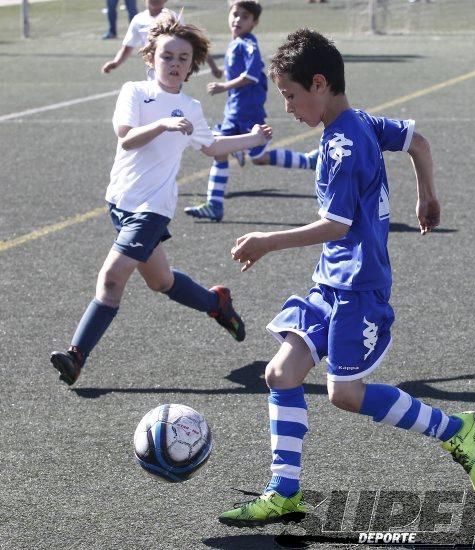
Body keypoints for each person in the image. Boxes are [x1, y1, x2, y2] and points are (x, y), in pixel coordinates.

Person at [219, 28, 475, 527]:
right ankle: (283, 492)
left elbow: (336, 225)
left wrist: (265, 241)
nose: (288, 107)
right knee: (281, 373)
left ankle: (456, 429)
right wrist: (426, 194)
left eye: (291, 95)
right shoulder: (359, 121)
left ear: (319, 84)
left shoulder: (343, 144)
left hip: (358, 288)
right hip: (330, 281)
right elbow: (418, 140)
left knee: (344, 395)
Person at [50, 15, 272, 386]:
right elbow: (126, 137)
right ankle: (216, 304)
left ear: (192, 66)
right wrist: (164, 124)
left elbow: (213, 147)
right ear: (151, 57)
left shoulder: (191, 107)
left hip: (152, 209)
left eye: (183, 58)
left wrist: (251, 139)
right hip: (121, 202)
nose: (175, 64)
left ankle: (76, 356)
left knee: (111, 279)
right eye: (167, 56)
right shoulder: (134, 93)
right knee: (161, 281)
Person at [184, 0, 318, 223]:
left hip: (246, 112)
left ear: (254, 22)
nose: (238, 19)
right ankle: (215, 204)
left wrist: (223, 86)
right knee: (241, 154)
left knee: (241, 153)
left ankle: (308, 162)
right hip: (236, 110)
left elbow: (252, 75)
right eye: (235, 14)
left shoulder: (248, 45)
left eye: (245, 16)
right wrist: (218, 71)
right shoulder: (236, 43)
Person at [101, 1, 223, 78]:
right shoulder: (138, 19)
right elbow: (127, 47)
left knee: (168, 99)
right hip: (152, 68)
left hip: (172, 67)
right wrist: (115, 63)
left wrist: (213, 67)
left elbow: (192, 41)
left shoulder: (171, 17)